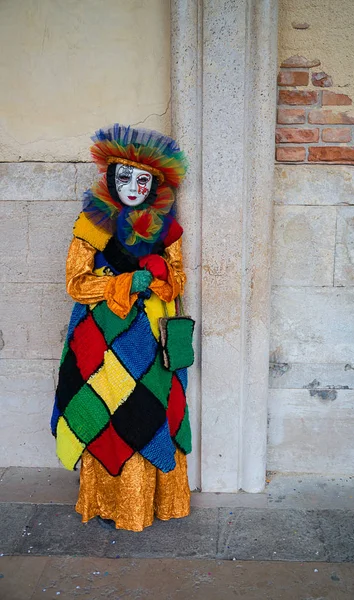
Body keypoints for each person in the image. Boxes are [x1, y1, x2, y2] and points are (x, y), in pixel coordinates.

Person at [50, 125, 192, 531]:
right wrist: (125, 282)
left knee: (152, 408)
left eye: (142, 179)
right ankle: (111, 502)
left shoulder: (165, 227)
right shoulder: (92, 221)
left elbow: (178, 278)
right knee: (106, 410)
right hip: (100, 335)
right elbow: (76, 282)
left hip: (150, 335)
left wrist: (161, 273)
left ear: (155, 185)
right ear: (111, 178)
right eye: (125, 177)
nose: (133, 186)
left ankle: (155, 501)